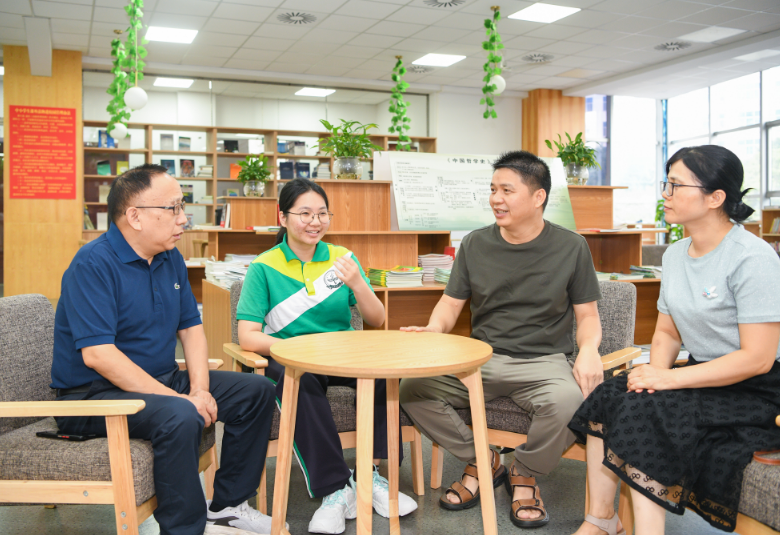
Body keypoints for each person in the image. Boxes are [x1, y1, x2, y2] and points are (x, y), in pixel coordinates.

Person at [51, 164, 278, 535]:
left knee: (256, 391)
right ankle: (184, 529)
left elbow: (191, 329)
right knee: (179, 413)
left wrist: (200, 390)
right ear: (135, 216)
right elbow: (98, 356)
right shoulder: (92, 264)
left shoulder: (170, 257)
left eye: (181, 206)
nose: (183, 219)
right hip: (92, 397)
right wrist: (184, 400)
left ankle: (227, 506)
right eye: (172, 208)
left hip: (157, 380)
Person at [569, 145, 780, 535]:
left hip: (754, 389)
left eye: (675, 185)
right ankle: (601, 520)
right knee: (612, 395)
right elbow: (666, 331)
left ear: (716, 198)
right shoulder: (676, 254)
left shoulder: (753, 257)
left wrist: (669, 380)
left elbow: (758, 359)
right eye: (666, 183)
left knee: (646, 412)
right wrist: (653, 374)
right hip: (703, 376)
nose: (664, 194)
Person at [399, 150, 604, 528]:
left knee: (570, 403)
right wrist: (433, 330)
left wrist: (588, 349)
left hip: (543, 362)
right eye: (493, 189)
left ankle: (523, 471)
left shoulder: (572, 246)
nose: (495, 198)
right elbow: (450, 303)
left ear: (538, 196)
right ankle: (485, 460)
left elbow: (587, 315)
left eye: (507, 190)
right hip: (481, 358)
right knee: (412, 388)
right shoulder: (475, 244)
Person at [236, 178, 418, 535]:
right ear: (283, 217)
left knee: (381, 374)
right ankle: (335, 489)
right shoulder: (264, 266)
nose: (314, 221)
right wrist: (296, 350)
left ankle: (369, 475)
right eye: (304, 213)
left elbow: (377, 320)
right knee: (300, 385)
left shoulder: (341, 258)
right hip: (292, 357)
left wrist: (358, 283)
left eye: (321, 214)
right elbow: (247, 336)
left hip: (344, 353)